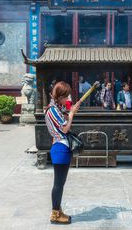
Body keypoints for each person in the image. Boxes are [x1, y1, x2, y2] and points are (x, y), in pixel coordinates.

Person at [46, 81, 82, 225]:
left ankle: (58, 210)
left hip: (61, 148)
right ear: (59, 96)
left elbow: (64, 120)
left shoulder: (57, 108)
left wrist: (72, 110)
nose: (67, 99)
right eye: (66, 96)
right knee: (58, 183)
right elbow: (65, 128)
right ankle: (55, 214)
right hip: (60, 148)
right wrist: (72, 114)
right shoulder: (52, 110)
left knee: (61, 183)